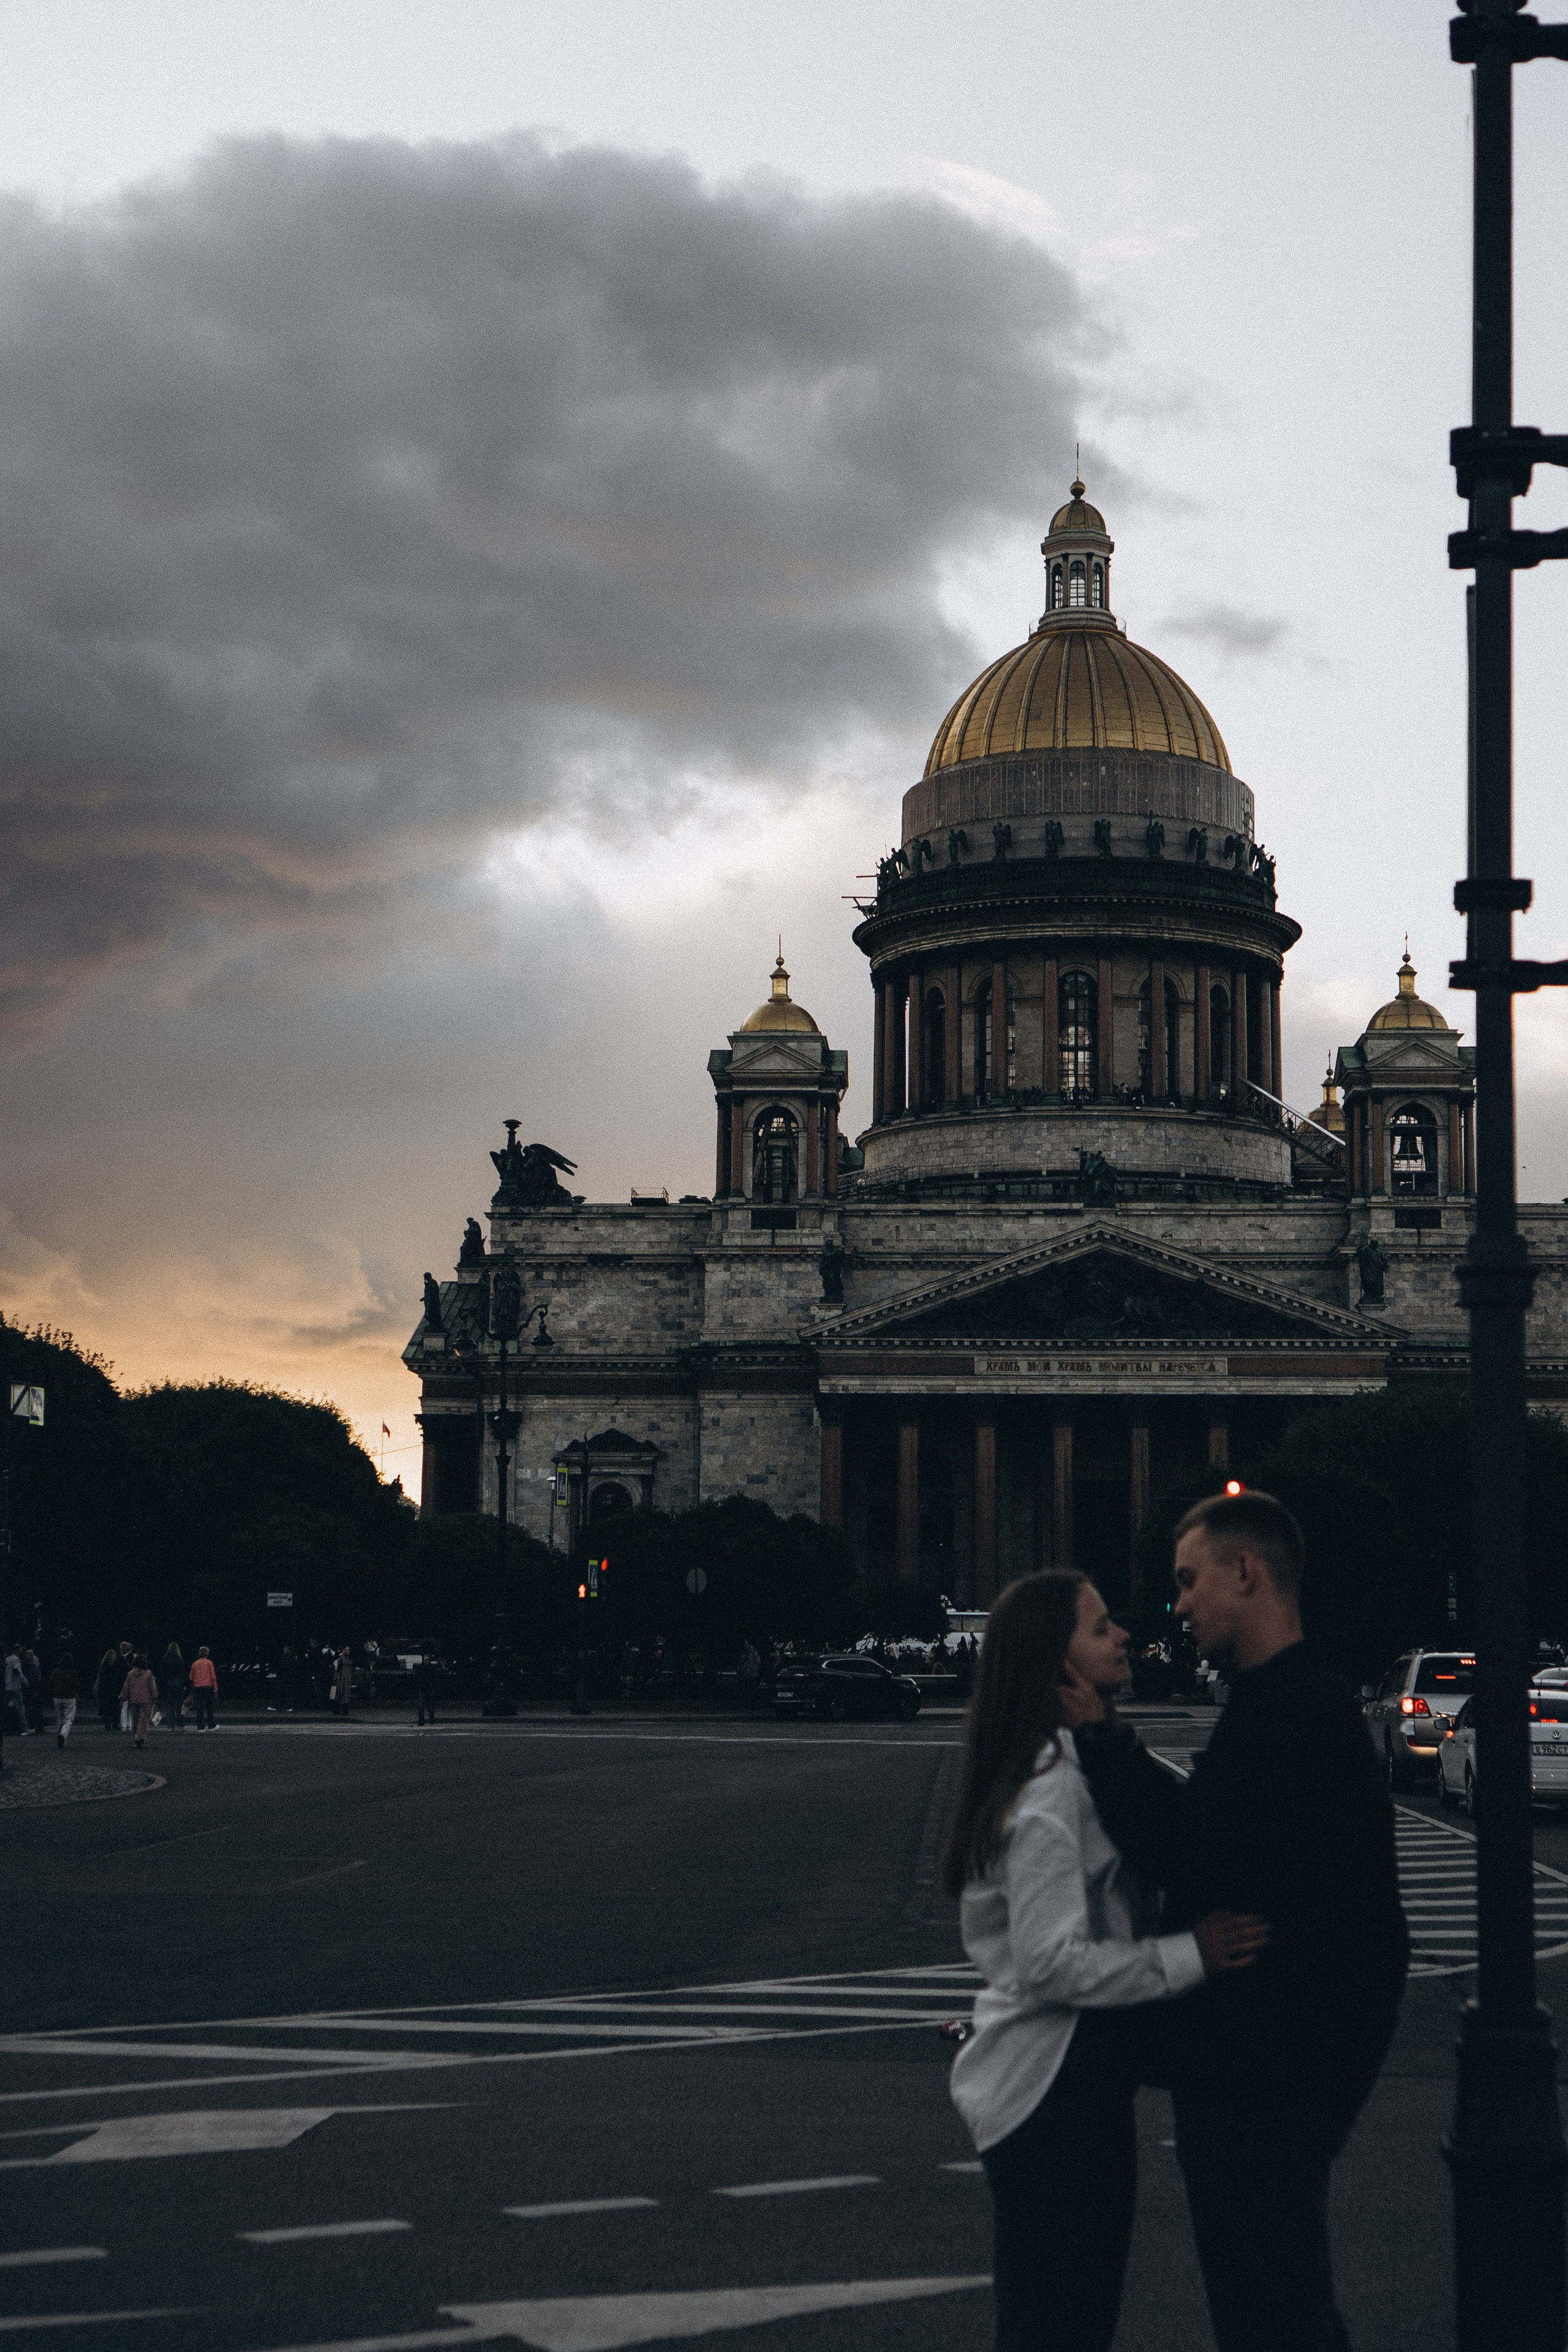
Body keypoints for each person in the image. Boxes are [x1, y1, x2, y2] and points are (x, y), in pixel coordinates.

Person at [1065, 1490, 1409, 2352]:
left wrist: (1102, 1740)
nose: (1177, 1605)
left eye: (1189, 1581)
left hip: (1264, 2085)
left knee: (1273, 2319)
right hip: (1273, 2080)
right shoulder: (1292, 1698)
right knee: (1278, 2311)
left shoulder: (1293, 1712)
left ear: (1246, 1572)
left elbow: (1190, 1849)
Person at [943, 1570, 1267, 2352]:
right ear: (1057, 1664)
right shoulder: (1051, 1787)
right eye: (1099, 1628)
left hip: (1060, 2082)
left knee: (1056, 2321)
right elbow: (1050, 1964)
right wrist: (1190, 1955)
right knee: (1061, 2325)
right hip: (1053, 2085)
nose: (1122, 1635)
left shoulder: (1061, 1762)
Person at [119, 1653, 158, 1747]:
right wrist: (154, 1697)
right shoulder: (148, 1674)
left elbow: (126, 1688)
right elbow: (152, 1687)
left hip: (133, 1700)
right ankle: (140, 1737)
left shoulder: (130, 1674)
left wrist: (122, 1699)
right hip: (145, 1700)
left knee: (135, 1720)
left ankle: (135, 1735)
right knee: (143, 1720)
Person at [50, 1654, 80, 1747]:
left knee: (59, 1718)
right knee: (69, 1718)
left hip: (57, 1697)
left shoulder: (55, 1672)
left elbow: (51, 1684)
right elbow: (77, 1685)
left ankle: (61, 1737)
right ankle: (63, 1735)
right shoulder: (73, 1673)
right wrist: (76, 1695)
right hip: (69, 1697)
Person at [188, 1646, 219, 1730]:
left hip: (198, 1688)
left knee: (200, 1708)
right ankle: (211, 1725)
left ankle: (201, 1727)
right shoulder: (209, 1663)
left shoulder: (195, 1664)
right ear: (207, 1654)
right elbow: (213, 1677)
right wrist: (215, 1689)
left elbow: (191, 1677)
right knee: (209, 1707)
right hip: (208, 1687)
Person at [159, 1642, 187, 1730]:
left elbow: (162, 1673)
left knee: (170, 1706)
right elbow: (183, 1673)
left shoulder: (165, 1659)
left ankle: (171, 1726)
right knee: (179, 1706)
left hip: (168, 1684)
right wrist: (184, 1685)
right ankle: (180, 1725)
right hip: (178, 1684)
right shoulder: (179, 1659)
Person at [94, 1648, 120, 1733]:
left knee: (106, 1708)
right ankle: (115, 1724)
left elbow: (101, 1679)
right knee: (115, 1708)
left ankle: (107, 1724)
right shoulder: (116, 1665)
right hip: (114, 1690)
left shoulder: (103, 1665)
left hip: (105, 1690)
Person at [4, 1646, 28, 1736]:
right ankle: (23, 1728)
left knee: (11, 1707)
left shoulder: (7, 1659)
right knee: (20, 1708)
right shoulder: (16, 1659)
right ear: (18, 1650)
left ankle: (10, 1728)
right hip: (15, 1686)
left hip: (8, 1686)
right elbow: (18, 1670)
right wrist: (25, 1681)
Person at [413, 1651, 438, 1727]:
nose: (425, 1661)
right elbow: (417, 1677)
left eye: (426, 1660)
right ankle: (421, 1721)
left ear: (429, 1660)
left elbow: (435, 1678)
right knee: (421, 1706)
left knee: (431, 1706)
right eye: (424, 1660)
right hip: (422, 1689)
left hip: (430, 1689)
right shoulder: (420, 1668)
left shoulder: (432, 1668)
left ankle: (431, 1720)